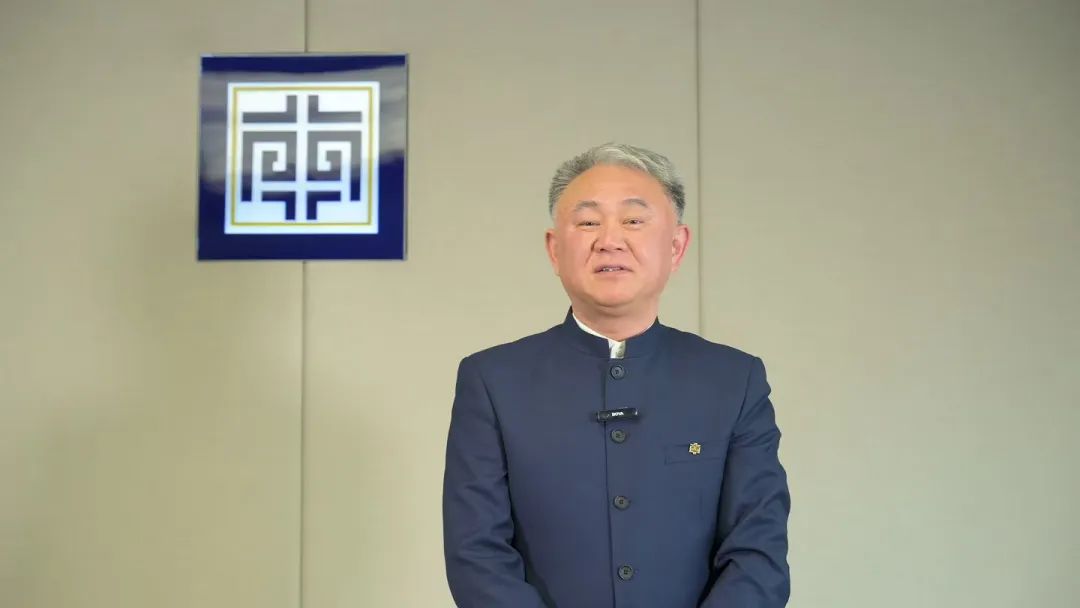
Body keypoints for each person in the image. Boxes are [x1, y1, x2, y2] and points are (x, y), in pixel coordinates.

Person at [442, 143, 790, 607]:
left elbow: (758, 552)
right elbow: (476, 554)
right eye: (588, 222)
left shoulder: (733, 380)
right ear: (554, 249)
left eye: (633, 220)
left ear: (676, 246)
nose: (610, 240)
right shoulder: (493, 380)